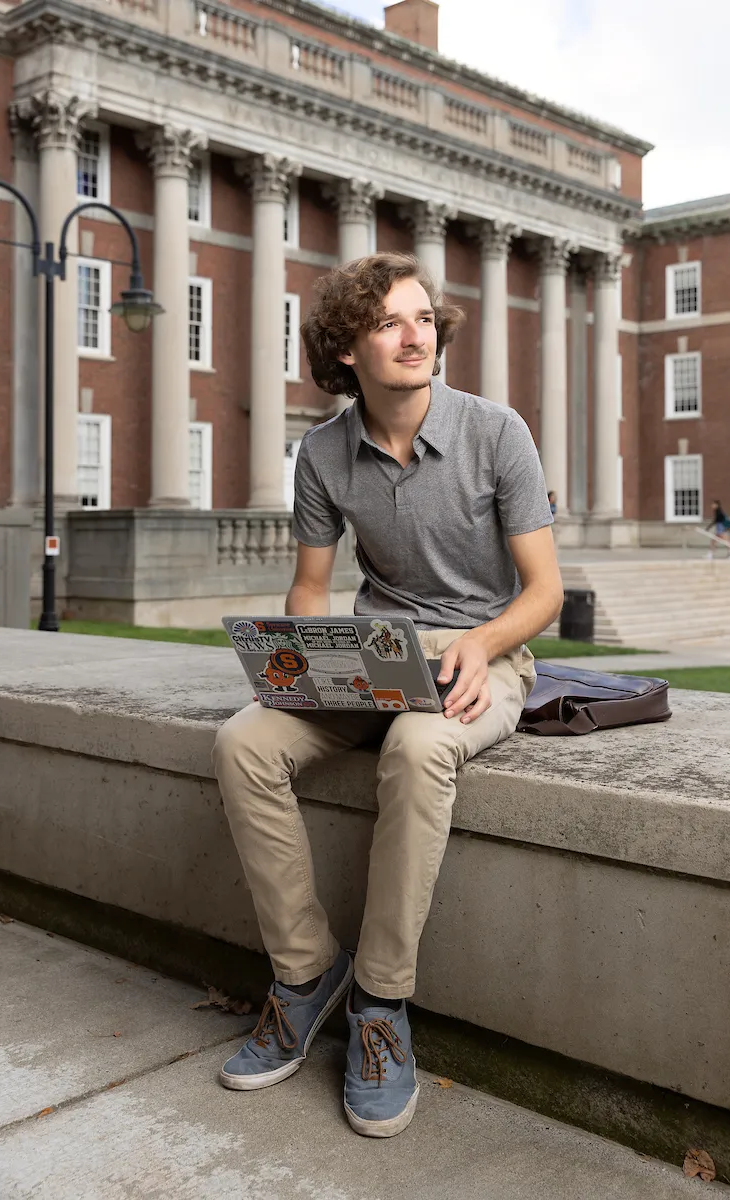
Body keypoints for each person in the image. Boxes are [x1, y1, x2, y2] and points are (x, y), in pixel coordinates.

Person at [212, 252, 563, 1139]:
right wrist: (299, 664)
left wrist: (484, 645)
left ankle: (380, 1005)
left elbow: (545, 593)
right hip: (373, 654)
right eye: (389, 324)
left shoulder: (497, 432)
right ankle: (304, 975)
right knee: (243, 743)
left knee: (418, 748)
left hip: (486, 654)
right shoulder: (323, 454)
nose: (416, 337)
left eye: (422, 319)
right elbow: (310, 586)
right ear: (345, 353)